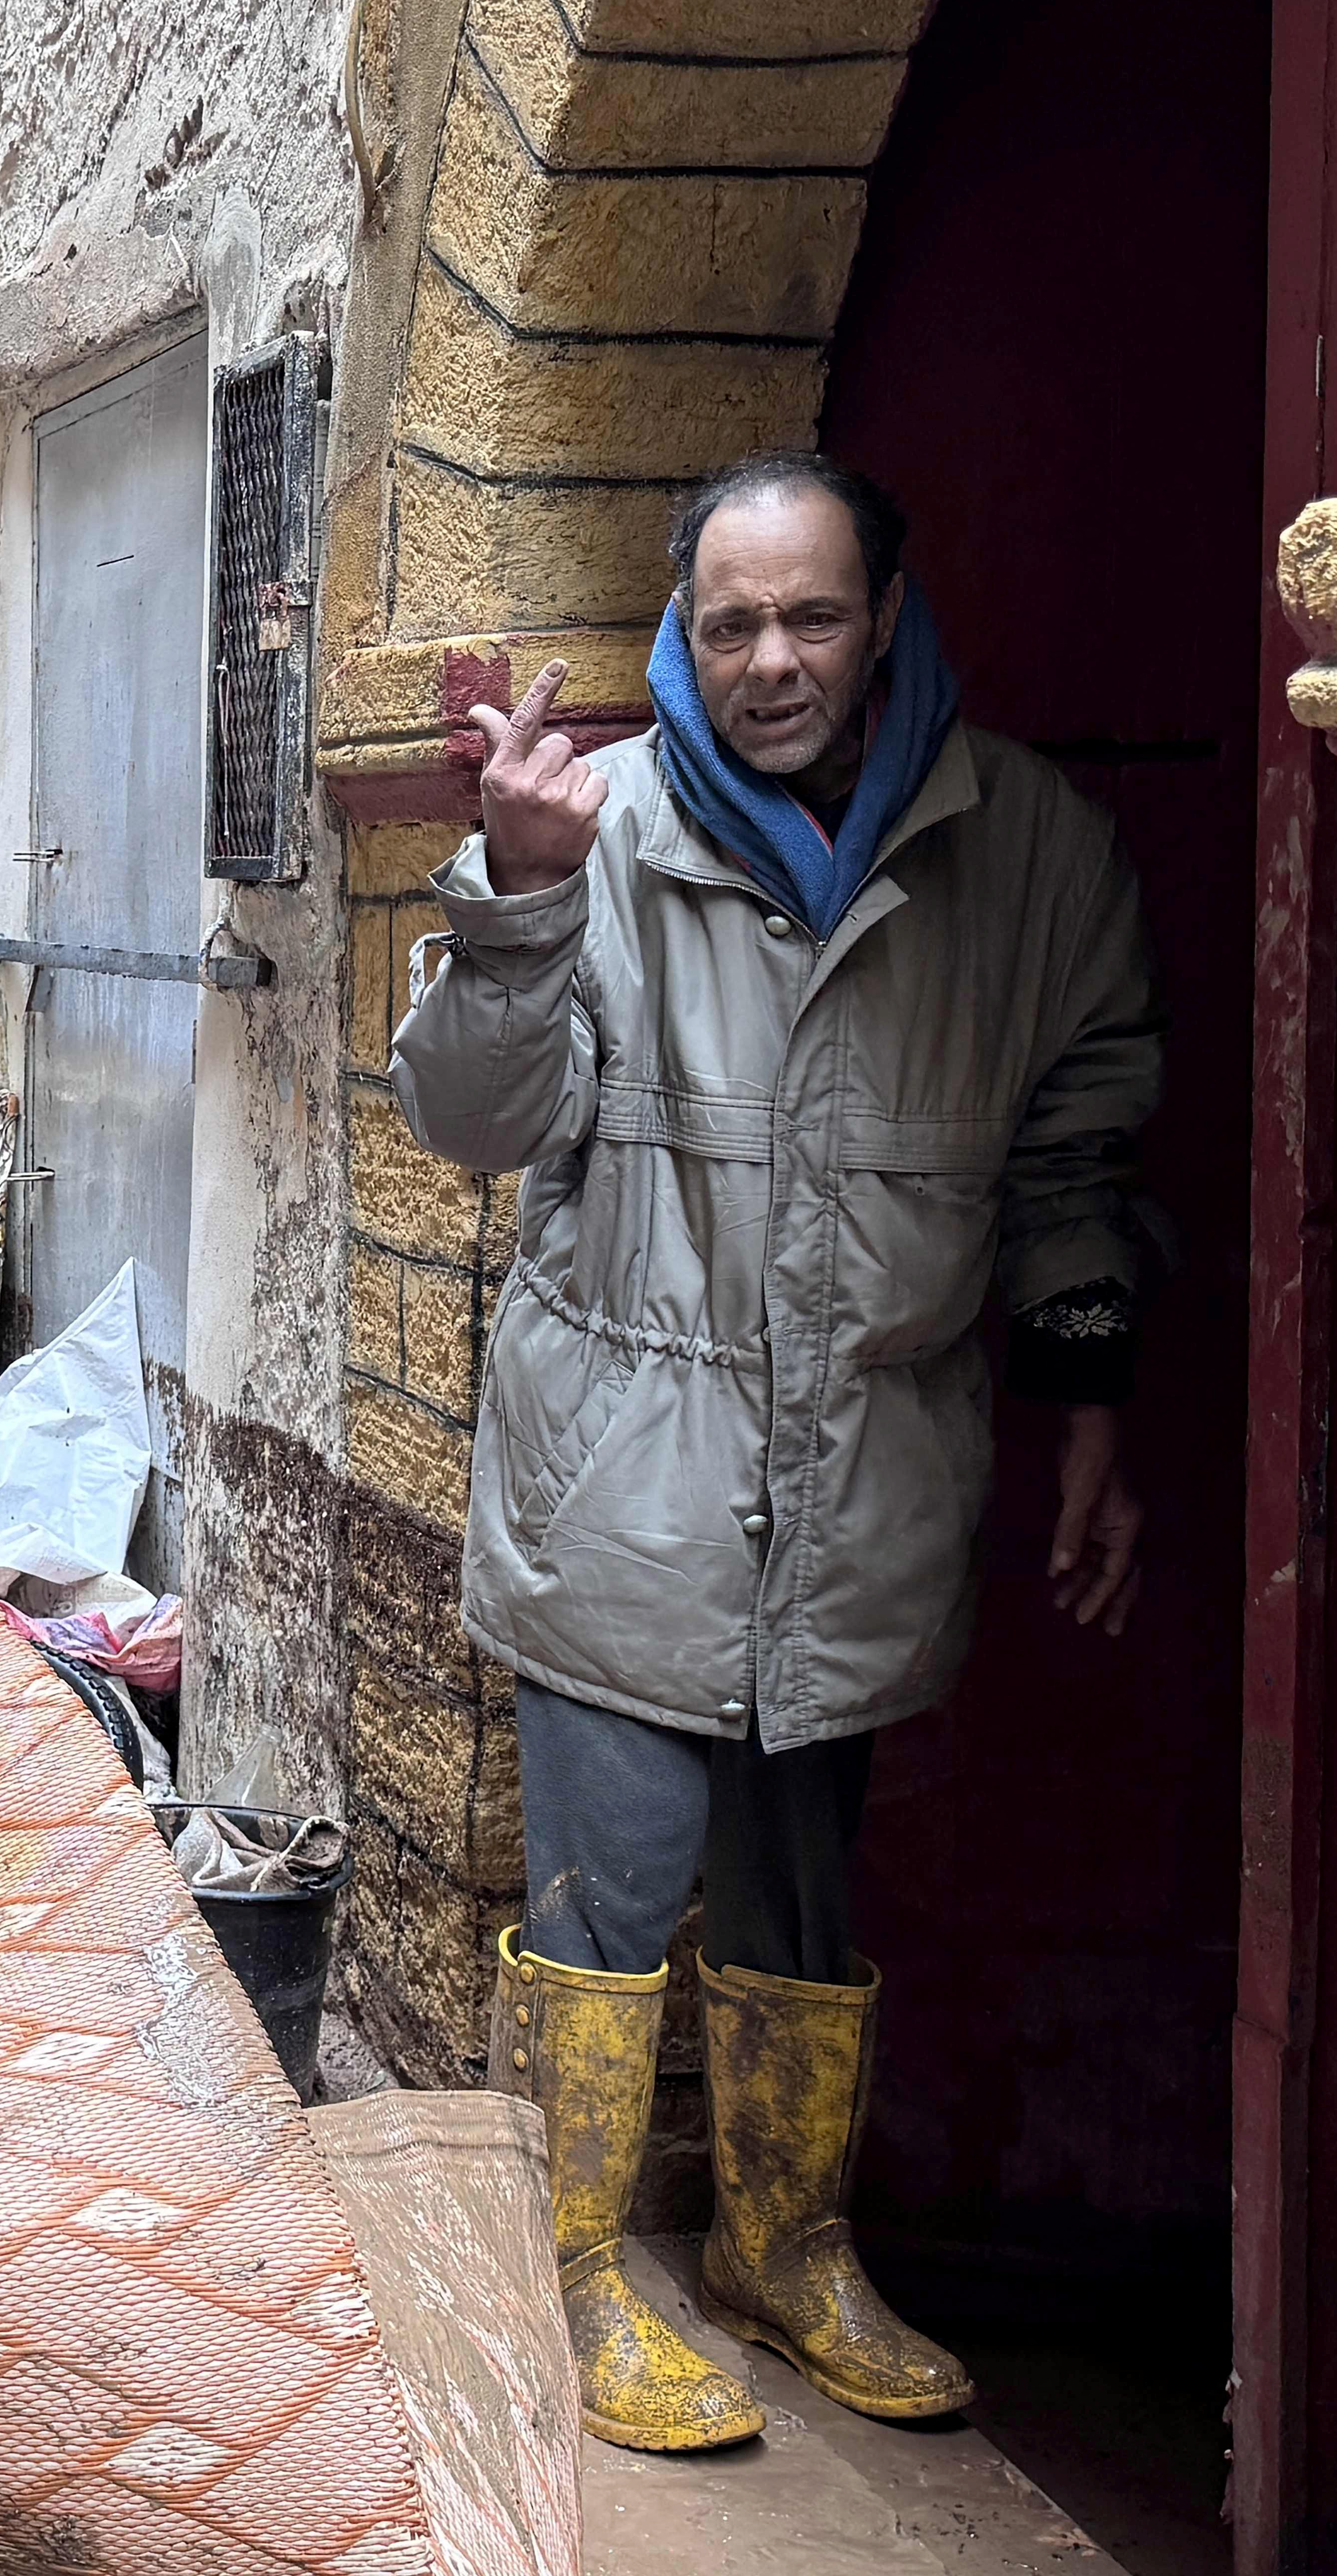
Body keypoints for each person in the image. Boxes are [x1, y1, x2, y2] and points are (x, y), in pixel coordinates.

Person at [386, 451, 1162, 2454]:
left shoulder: (1033, 853)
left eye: (811, 615)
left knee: (803, 1892)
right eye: (729, 623)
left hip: (864, 1483)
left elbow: (1085, 1145)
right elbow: (467, 1124)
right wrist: (521, 899)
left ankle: (782, 2248)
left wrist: (1087, 1393)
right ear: (685, 628)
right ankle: (567, 2265)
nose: (771, 661)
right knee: (610, 1884)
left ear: (885, 614)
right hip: (621, 1472)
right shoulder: (602, 824)